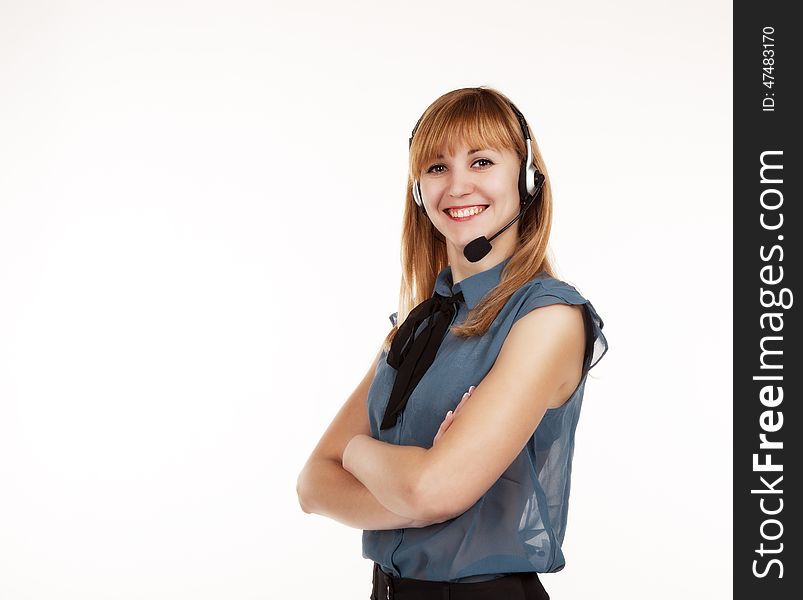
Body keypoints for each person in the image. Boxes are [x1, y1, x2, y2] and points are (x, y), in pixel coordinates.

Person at [296, 86, 609, 600]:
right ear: (419, 190)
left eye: (481, 161)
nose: (458, 186)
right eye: (437, 168)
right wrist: (414, 492)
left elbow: (432, 490)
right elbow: (312, 485)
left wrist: (355, 453)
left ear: (527, 179)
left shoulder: (548, 317)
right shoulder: (413, 329)